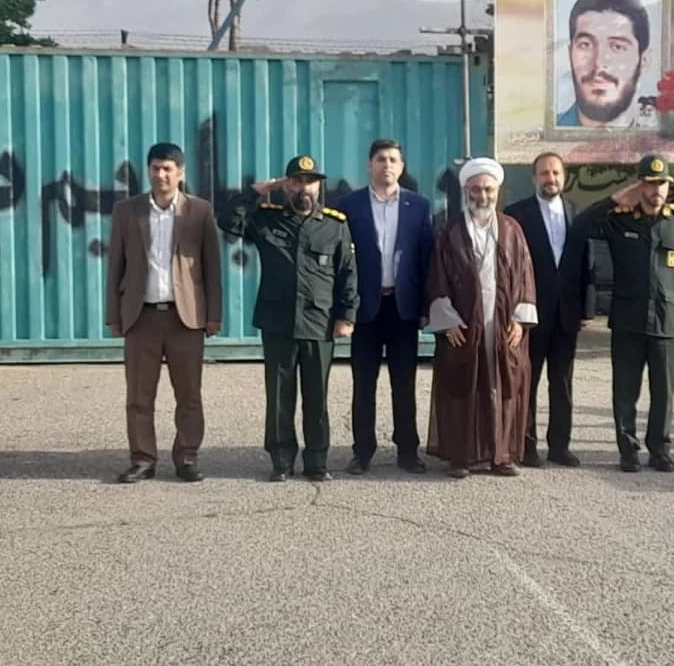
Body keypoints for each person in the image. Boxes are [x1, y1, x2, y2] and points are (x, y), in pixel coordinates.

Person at [218, 155, 358, 482]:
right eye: (296, 181)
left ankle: (317, 462)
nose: (303, 188)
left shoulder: (335, 225)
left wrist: (346, 316)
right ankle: (281, 461)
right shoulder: (266, 219)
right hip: (277, 321)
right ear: (286, 185)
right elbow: (227, 221)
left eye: (310, 182)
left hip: (319, 322)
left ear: (318, 186)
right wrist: (256, 191)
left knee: (317, 397)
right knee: (280, 396)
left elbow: (348, 273)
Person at [575, 155, 674, 472]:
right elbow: (582, 225)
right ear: (640, 186)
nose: (656, 190)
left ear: (668, 187)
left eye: (662, 184)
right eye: (650, 183)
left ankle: (660, 449)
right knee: (625, 391)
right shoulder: (619, 219)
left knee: (664, 392)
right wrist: (616, 199)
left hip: (667, 321)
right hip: (628, 320)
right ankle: (628, 450)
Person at [105, 142, 223, 484]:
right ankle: (143, 459)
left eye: (168, 169)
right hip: (141, 317)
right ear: (148, 171)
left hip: (185, 318)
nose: (161, 175)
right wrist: (114, 315)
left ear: (180, 173)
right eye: (156, 168)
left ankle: (187, 456)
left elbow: (212, 268)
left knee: (189, 396)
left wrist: (213, 315)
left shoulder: (199, 211)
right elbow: (115, 267)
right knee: (139, 397)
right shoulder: (127, 212)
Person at [425, 157, 538, 477]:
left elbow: (525, 275)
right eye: (476, 189)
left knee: (504, 386)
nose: (482, 195)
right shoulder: (450, 231)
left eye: (488, 189)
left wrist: (520, 320)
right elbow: (437, 277)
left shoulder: (512, 229)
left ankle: (501, 455)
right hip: (464, 324)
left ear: (497, 191)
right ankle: (461, 456)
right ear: (466, 191)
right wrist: (447, 321)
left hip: (503, 324)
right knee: (464, 386)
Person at [338, 139, 435, 475]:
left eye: (393, 159)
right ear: (370, 164)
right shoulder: (349, 205)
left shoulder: (418, 206)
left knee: (404, 384)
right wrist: (344, 309)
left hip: (402, 308)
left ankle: (408, 451)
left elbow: (426, 258)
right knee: (363, 385)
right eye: (381, 159)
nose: (387, 165)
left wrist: (425, 307)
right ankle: (362, 452)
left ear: (402, 166)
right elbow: (342, 261)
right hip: (365, 308)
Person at [505, 152, 595, 468]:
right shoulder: (516, 215)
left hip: (566, 314)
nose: (550, 179)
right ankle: (526, 446)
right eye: (544, 173)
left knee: (563, 383)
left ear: (564, 177)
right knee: (526, 382)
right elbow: (510, 267)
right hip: (530, 314)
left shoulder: (576, 214)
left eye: (555, 173)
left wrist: (587, 309)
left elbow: (587, 263)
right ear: (534, 178)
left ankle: (560, 446)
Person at [557, 0, 653, 129]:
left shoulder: (670, 137)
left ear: (644, 60)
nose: (598, 63)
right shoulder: (543, 133)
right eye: (585, 45)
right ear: (570, 53)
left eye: (617, 47)